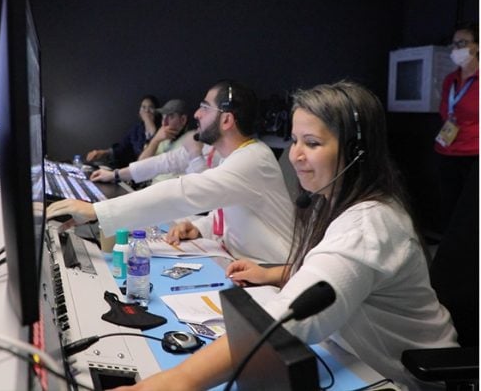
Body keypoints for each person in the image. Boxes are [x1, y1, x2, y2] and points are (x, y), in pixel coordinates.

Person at [112, 81, 458, 391]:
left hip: (405, 377)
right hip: (351, 353)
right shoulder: (330, 200)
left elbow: (292, 318)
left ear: (357, 152)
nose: (295, 155)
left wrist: (173, 382)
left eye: (312, 143)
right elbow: (338, 273)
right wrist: (277, 273)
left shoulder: (369, 224)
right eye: (294, 141)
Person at [47, 80, 295, 264]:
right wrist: (201, 227)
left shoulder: (253, 159)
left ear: (227, 120)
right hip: (239, 264)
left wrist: (97, 211)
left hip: (270, 274)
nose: (197, 114)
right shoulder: (231, 155)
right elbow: (236, 215)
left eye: (205, 107)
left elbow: (185, 191)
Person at [434, 21, 479, 233]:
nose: (456, 49)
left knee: (471, 210)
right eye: (454, 44)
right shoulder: (450, 79)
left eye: (462, 43)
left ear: (477, 46)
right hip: (446, 150)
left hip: (474, 153)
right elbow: (445, 111)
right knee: (449, 206)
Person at [89, 130, 221, 186]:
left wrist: (195, 154)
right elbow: (161, 162)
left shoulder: (230, 157)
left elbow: (208, 194)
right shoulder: (204, 145)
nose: (198, 114)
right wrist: (115, 174)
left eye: (206, 108)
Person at [86, 95, 161, 168]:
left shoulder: (162, 128)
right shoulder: (136, 129)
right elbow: (121, 147)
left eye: (151, 107)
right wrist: (102, 152)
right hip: (136, 168)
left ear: (156, 111)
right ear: (139, 112)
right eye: (143, 107)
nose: (147, 111)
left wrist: (149, 124)